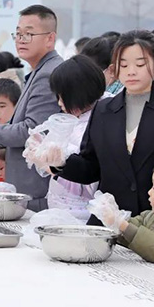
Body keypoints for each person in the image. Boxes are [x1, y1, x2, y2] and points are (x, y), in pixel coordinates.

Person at [50, 30, 154, 220]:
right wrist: (61, 162)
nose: (131, 71)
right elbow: (91, 167)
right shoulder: (103, 110)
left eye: (140, 64)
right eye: (124, 65)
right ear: (115, 68)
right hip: (110, 223)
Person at [0, 5, 64, 211]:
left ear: (50, 38)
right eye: (19, 33)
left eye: (29, 34)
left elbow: (32, 130)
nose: (21, 39)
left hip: (37, 190)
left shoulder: (48, 74)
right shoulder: (39, 70)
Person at [43, 55, 106, 220]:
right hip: (62, 207)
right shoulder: (72, 119)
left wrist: (57, 162)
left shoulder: (101, 121)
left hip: (83, 213)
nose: (59, 103)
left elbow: (90, 176)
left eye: (62, 96)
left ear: (78, 94)